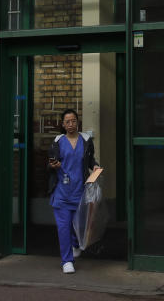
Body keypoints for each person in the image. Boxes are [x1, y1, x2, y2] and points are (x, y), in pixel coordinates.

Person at [48, 108, 97, 273]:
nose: (71, 124)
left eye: (73, 121)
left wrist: (95, 166)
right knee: (64, 227)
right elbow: (50, 163)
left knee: (79, 226)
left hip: (80, 192)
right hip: (62, 192)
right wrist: (53, 165)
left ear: (78, 122)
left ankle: (76, 244)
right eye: (67, 122)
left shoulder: (86, 140)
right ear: (63, 124)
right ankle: (66, 261)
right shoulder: (57, 141)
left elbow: (90, 160)